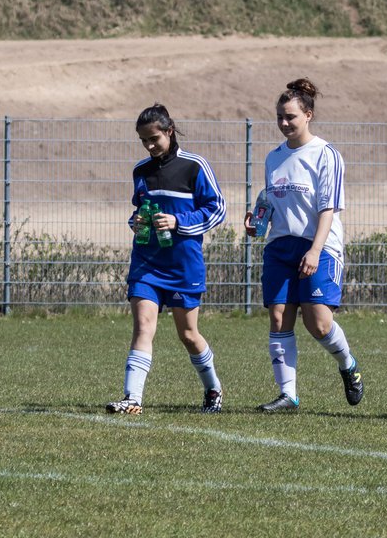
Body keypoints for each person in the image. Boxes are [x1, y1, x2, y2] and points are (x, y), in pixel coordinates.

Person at [244, 78, 364, 413]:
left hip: (320, 246)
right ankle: (288, 395)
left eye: (291, 117)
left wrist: (314, 249)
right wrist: (258, 222)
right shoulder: (273, 158)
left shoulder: (326, 155)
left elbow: (328, 208)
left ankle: (348, 364)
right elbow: (270, 202)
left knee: (319, 323)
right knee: (280, 317)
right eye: (280, 117)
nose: (284, 123)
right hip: (280, 247)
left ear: (308, 115)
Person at [106, 104, 227, 415]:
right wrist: (136, 222)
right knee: (143, 326)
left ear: (169, 132)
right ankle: (132, 398)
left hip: (183, 265)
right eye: (143, 140)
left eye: (154, 138)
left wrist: (179, 223)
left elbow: (217, 210)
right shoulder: (140, 172)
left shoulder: (194, 166)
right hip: (147, 263)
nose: (149, 145)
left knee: (188, 335)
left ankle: (213, 387)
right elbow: (140, 210)